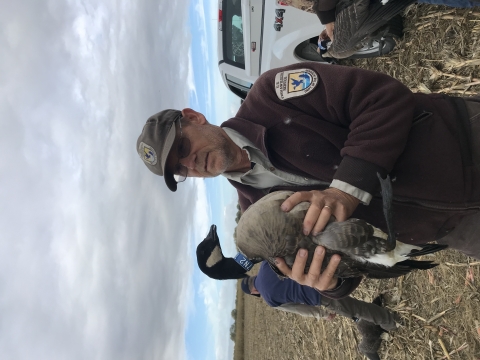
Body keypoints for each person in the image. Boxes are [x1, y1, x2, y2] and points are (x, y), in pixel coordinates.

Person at [136, 62, 480, 295]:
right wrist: (326, 284)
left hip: (463, 142)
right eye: (179, 170)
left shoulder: (272, 95)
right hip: (452, 228)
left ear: (194, 117)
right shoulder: (256, 217)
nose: (190, 162)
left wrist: (346, 190)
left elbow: (381, 98)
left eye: (182, 146)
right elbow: (351, 266)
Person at [241, 261, 398, 331]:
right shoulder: (265, 264)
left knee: (356, 309)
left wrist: (323, 315)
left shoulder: (269, 299)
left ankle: (390, 321)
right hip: (323, 267)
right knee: (360, 270)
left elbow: (300, 309)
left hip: (321, 293)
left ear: (254, 291)